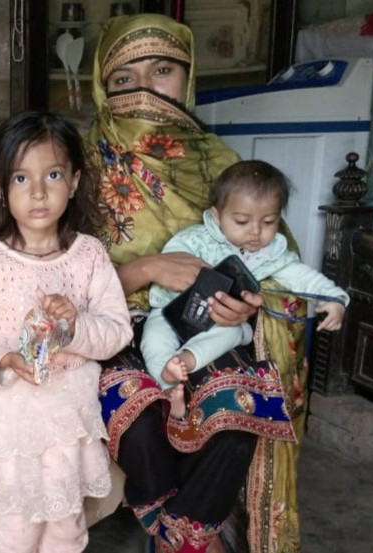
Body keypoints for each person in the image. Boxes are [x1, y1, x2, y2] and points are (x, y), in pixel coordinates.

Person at [89, 14, 308, 553]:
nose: (144, 89)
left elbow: (281, 266)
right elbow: (52, 276)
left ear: (187, 80)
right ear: (103, 87)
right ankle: (185, 532)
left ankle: (180, 536)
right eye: (124, 78)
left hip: (208, 325)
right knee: (138, 416)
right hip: (116, 322)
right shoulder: (81, 167)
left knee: (241, 409)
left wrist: (250, 307)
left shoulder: (222, 167)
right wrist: (144, 270)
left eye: (162, 70)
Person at [0, 111, 133, 553]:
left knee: (67, 526)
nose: (39, 191)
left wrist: (73, 328)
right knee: (15, 528)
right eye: (21, 179)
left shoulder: (89, 256)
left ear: (74, 180)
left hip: (68, 417)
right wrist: (3, 359)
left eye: (52, 174)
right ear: (0, 188)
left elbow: (116, 331)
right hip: (11, 420)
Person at [142, 160, 349, 418]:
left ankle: (184, 360)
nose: (255, 232)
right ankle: (169, 389)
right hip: (173, 314)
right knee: (152, 339)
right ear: (217, 215)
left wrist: (334, 298)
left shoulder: (271, 255)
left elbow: (303, 277)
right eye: (241, 221)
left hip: (221, 324)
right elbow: (169, 263)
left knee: (233, 332)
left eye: (269, 222)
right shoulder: (194, 239)